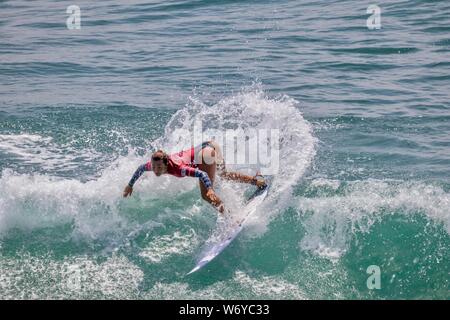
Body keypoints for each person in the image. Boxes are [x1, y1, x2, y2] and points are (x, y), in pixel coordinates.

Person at [123, 141, 266, 213]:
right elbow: (140, 168)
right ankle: (258, 182)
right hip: (210, 145)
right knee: (225, 174)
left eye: (159, 167)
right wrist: (130, 185)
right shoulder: (154, 163)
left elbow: (201, 173)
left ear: (166, 164)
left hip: (205, 154)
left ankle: (231, 216)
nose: (155, 170)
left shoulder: (178, 169)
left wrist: (209, 188)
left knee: (206, 195)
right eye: (154, 167)